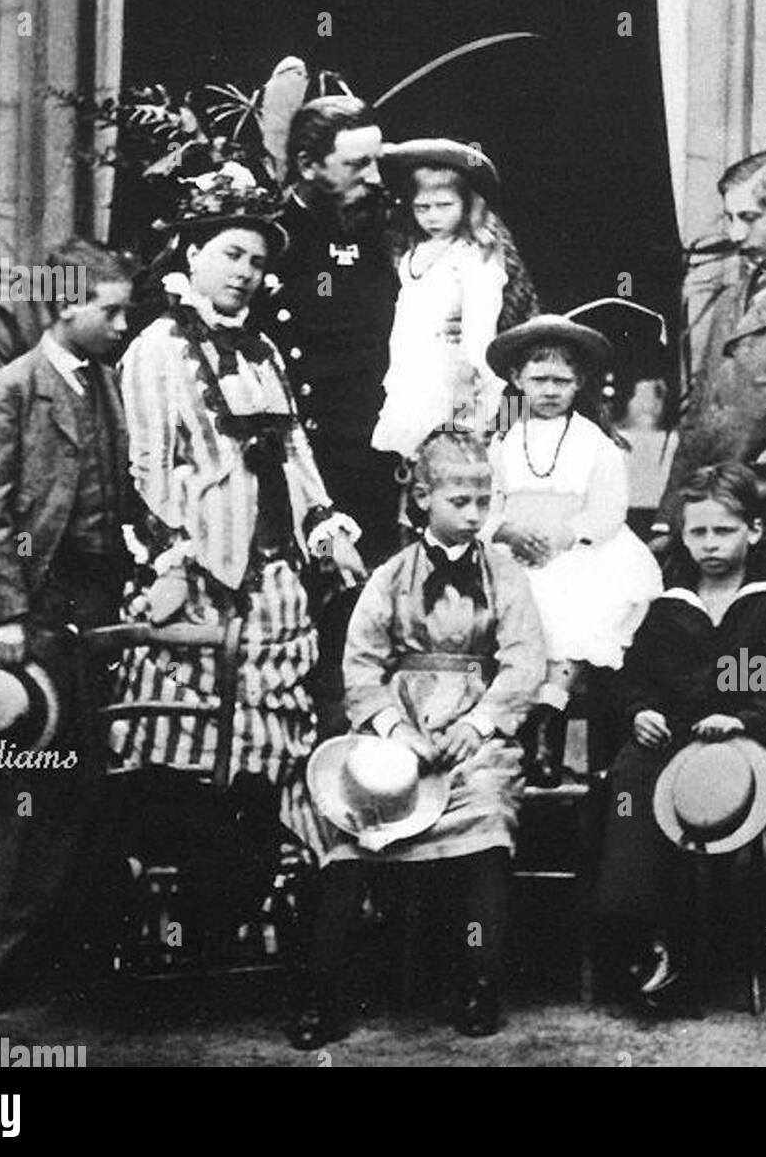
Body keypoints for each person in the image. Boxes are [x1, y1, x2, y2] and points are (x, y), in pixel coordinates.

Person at [110, 167, 365, 861]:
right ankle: (190, 912)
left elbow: (296, 459)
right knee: (193, 756)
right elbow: (145, 472)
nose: (247, 272)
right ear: (191, 254)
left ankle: (254, 907)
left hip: (277, 591)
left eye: (257, 260)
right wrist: (169, 565)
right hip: (198, 583)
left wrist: (324, 528)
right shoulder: (158, 351)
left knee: (275, 762)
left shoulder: (263, 351)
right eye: (231, 253)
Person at [286, 429, 546, 1048]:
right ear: (423, 497)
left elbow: (524, 663)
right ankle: (323, 991)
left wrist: (477, 726)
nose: (475, 514)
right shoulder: (390, 576)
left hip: (473, 737)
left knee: (486, 821)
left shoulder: (504, 575)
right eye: (461, 501)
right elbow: (360, 669)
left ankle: (479, 980)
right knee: (355, 828)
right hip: (398, 735)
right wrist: (396, 731)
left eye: (485, 501)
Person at [0, 238, 135, 1012]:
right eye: (111, 310)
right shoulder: (14, 389)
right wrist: (8, 614)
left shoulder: (104, 383)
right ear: (66, 306)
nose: (124, 325)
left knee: (85, 782)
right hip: (36, 612)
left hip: (94, 610)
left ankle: (55, 944)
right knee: (25, 783)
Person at [596, 462, 766, 1015]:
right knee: (632, 776)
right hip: (674, 738)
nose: (710, 544)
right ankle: (636, 937)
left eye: (724, 531)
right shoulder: (669, 604)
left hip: (749, 744)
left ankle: (687, 958)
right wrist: (640, 710)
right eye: (697, 532)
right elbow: (633, 674)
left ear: (754, 531)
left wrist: (747, 719)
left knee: (705, 792)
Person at [485, 315, 663, 785]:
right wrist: (507, 531)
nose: (549, 391)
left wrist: (568, 535)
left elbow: (610, 510)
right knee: (517, 611)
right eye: (539, 380)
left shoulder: (594, 443)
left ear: (579, 382)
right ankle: (511, 729)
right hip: (516, 553)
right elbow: (486, 504)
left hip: (578, 552)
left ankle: (549, 718)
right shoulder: (501, 440)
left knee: (576, 612)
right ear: (517, 379)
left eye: (561, 381)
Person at [653, 149, 766, 587]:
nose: (735, 234)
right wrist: (669, 514)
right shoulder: (737, 291)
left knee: (763, 647)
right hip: (706, 524)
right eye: (729, 218)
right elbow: (698, 413)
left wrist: (730, 504)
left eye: (748, 217)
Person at [259, 92, 401, 563]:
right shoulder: (269, 242)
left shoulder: (391, 233)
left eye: (377, 161)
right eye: (357, 164)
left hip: (379, 460)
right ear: (307, 164)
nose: (375, 177)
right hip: (301, 463)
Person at [372, 139, 509, 460]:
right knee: (408, 461)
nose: (433, 217)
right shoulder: (411, 254)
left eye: (444, 206)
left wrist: (467, 382)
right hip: (413, 373)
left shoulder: (474, 256)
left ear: (466, 204)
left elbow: (480, 327)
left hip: (455, 378)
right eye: (423, 207)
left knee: (452, 457)